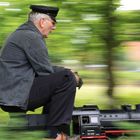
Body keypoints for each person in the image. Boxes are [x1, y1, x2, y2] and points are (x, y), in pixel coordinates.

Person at [0, 5, 83, 140]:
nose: (54, 27)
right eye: (53, 22)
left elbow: (43, 70)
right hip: (17, 94)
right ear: (42, 22)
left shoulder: (22, 33)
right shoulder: (31, 36)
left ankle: (52, 132)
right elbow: (45, 71)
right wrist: (72, 74)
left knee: (61, 80)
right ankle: (55, 134)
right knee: (66, 78)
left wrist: (66, 72)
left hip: (13, 93)